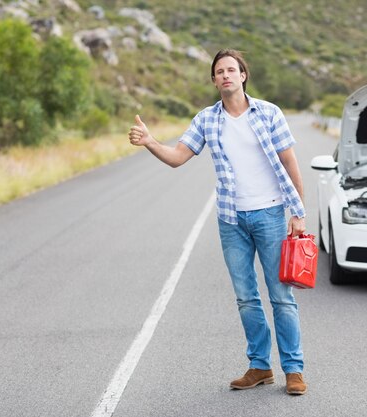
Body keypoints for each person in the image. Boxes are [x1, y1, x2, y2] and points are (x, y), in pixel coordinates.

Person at [127, 49, 308, 395]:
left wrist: (298, 212)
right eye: (219, 71)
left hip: (270, 214)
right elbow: (178, 157)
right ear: (214, 80)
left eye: (231, 70)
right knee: (245, 297)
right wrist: (150, 142)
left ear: (242, 75)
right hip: (231, 220)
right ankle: (259, 367)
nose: (225, 75)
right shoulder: (206, 120)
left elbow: (290, 163)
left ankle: (294, 370)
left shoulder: (269, 113)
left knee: (281, 297)